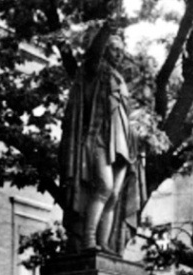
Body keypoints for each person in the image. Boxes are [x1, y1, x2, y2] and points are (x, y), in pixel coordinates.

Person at [59, 22, 146, 254]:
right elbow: (93, 52)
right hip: (99, 139)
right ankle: (88, 240)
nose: (119, 54)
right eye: (114, 49)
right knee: (104, 187)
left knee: (115, 195)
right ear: (106, 50)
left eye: (121, 51)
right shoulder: (97, 70)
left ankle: (104, 243)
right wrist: (108, 27)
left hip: (122, 144)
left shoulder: (120, 79)